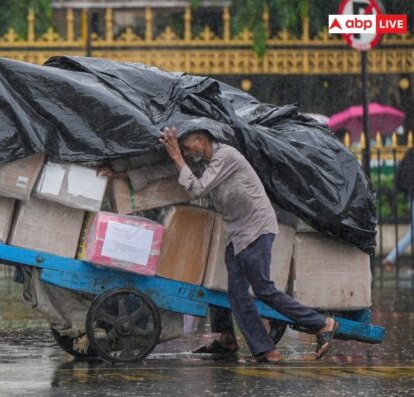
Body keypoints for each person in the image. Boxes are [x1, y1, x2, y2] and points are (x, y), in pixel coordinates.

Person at [101, 127, 338, 362]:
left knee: (263, 289)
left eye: (186, 145)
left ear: (202, 139)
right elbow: (165, 171)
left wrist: (176, 156)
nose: (184, 151)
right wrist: (121, 176)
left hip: (255, 228)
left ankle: (322, 323)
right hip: (237, 233)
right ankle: (255, 347)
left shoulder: (226, 156)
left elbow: (198, 187)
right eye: (181, 148)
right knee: (235, 293)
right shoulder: (203, 163)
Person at [383, 146, 414, 272]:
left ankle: (391, 258)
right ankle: (390, 258)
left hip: (413, 195)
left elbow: (402, 174)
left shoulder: (411, 153)